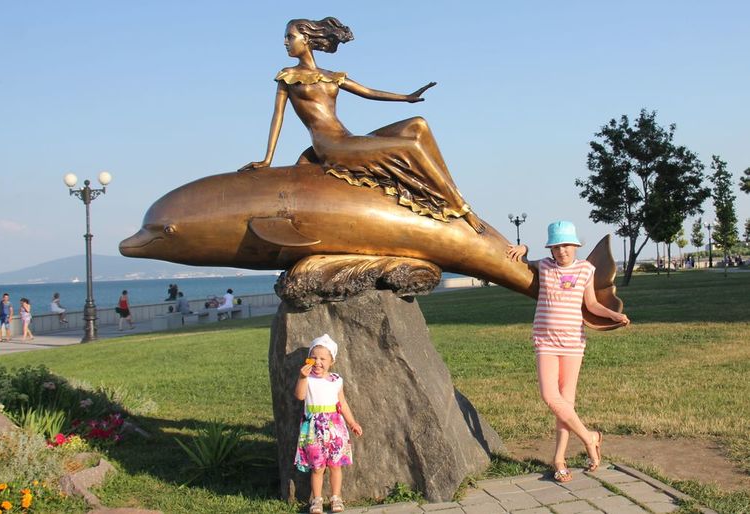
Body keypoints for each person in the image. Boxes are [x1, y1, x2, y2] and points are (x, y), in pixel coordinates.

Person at [239, 17, 485, 234]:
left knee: (418, 125)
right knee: (410, 147)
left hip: (346, 138)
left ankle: (452, 193)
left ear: (306, 38)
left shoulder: (332, 75)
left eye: (290, 37)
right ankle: (462, 209)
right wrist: (267, 158)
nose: (285, 42)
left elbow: (368, 92)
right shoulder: (288, 76)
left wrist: (406, 97)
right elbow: (278, 117)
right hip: (330, 146)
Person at [507, 221, 630, 484]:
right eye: (556, 247)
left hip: (573, 343)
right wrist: (524, 246)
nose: (561, 251)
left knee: (566, 403)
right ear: (551, 249)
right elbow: (525, 260)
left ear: (575, 246)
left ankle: (559, 459)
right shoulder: (545, 266)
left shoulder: (586, 269)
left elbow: (591, 304)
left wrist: (613, 315)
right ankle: (589, 437)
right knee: (550, 396)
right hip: (545, 342)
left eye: (566, 245)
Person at [294, 334, 362, 514]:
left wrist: (352, 422)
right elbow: (300, 396)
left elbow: (343, 403)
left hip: (334, 427)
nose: (317, 362)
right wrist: (302, 377)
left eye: (323, 359)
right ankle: (316, 499)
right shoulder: (307, 379)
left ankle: (336, 497)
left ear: (332, 361)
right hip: (313, 429)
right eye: (313, 357)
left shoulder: (336, 380)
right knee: (317, 467)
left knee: (335, 465)